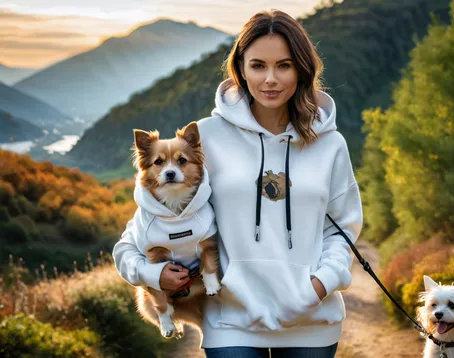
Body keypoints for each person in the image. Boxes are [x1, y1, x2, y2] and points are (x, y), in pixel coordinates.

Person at [113, 9, 363, 358]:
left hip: (311, 320)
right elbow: (138, 235)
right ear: (241, 69)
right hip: (230, 321)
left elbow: (343, 228)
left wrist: (317, 287)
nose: (270, 79)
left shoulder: (330, 144)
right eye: (258, 65)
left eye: (285, 65)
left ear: (302, 69)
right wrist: (149, 274)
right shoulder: (205, 140)